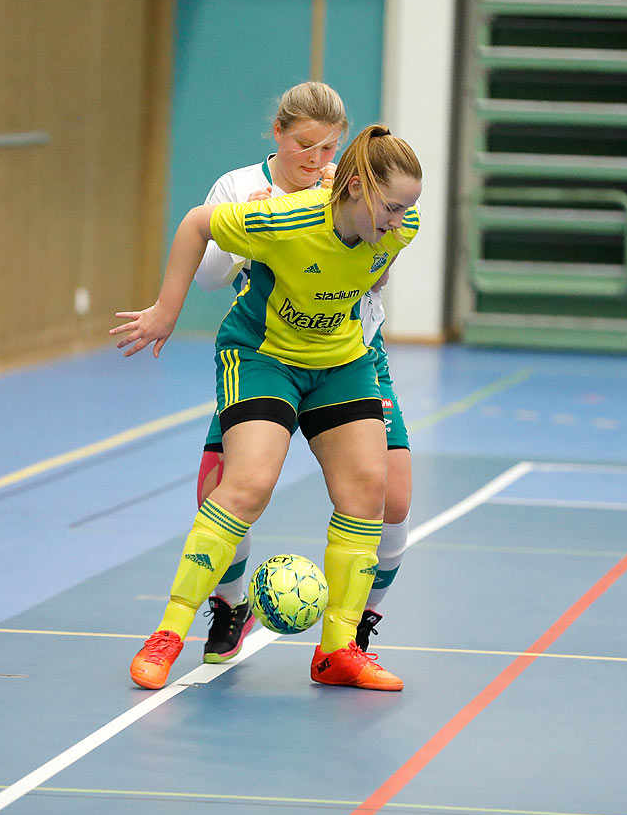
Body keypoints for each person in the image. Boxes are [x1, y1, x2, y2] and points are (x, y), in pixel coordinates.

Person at [112, 123, 422, 693]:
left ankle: (337, 652)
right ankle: (169, 635)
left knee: (368, 493)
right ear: (353, 187)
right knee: (248, 484)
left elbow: (371, 267)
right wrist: (166, 308)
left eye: (407, 210)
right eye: (392, 207)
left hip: (340, 362)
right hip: (263, 357)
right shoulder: (287, 221)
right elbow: (196, 225)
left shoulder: (398, 229)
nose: (400, 221)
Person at [188, 83, 414, 666]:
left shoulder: (349, 189)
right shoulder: (242, 189)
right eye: (304, 146)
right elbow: (210, 277)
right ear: (278, 135)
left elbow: (376, 266)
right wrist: (263, 230)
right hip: (266, 348)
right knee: (223, 485)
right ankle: (230, 607)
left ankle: (353, 629)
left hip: (351, 349)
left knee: (390, 497)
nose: (316, 160)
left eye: (328, 147)